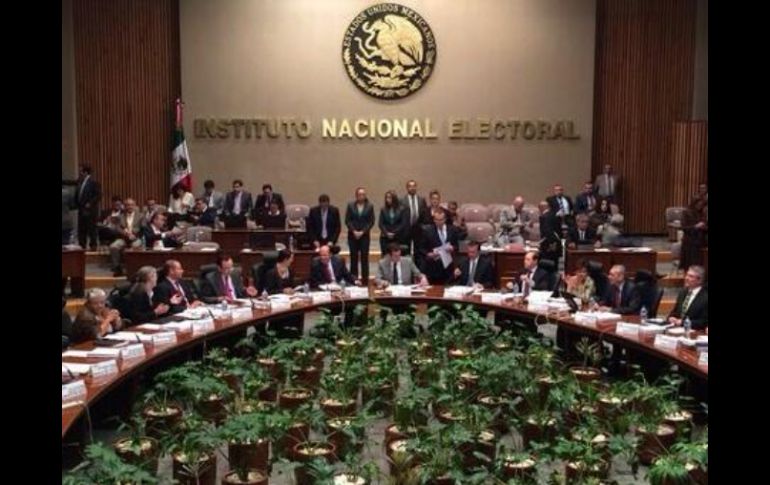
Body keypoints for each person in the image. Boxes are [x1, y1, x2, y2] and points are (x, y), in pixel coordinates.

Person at [419, 210, 460, 284]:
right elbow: (422, 248)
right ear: (434, 220)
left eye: (441, 220)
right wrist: (429, 254)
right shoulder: (427, 231)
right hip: (434, 267)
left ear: (445, 219)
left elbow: (456, 247)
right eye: (437, 220)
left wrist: (452, 248)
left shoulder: (452, 230)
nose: (439, 222)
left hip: (448, 267)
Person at [345, 187, 375, 281]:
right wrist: (354, 231)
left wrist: (362, 232)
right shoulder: (350, 205)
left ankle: (365, 280)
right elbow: (347, 220)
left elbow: (371, 221)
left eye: (363, 194)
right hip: (352, 236)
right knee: (353, 258)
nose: (361, 196)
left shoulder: (370, 206)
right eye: (359, 194)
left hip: (364, 236)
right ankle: (354, 279)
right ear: (356, 195)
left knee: (364, 258)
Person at [109, 197, 143, 276]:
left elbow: (143, 228)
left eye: (131, 205)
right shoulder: (120, 216)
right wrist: (125, 233)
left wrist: (134, 235)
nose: (129, 207)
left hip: (136, 238)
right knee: (113, 246)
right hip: (123, 238)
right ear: (124, 206)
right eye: (127, 205)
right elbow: (118, 228)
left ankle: (132, 269)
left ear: (135, 205)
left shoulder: (141, 216)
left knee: (134, 246)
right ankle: (117, 268)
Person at [667, 265, 708, 330]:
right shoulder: (683, 292)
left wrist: (682, 322)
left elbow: (704, 322)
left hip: (695, 331)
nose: (686, 278)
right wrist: (671, 317)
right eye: (687, 275)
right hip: (677, 330)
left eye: (691, 276)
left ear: (699, 280)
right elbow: (675, 311)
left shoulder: (705, 298)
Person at [400, 179, 430, 258]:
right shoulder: (402, 200)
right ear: (407, 188)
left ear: (416, 187)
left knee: (418, 251)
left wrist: (423, 226)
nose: (412, 188)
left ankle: (417, 265)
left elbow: (425, 214)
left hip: (418, 229)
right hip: (406, 229)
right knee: (406, 251)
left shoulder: (422, 200)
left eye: (414, 186)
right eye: (410, 186)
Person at [76, 164, 102, 250]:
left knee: (91, 229)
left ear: (85, 172)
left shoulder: (93, 182)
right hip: (81, 209)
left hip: (90, 210)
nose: (79, 173)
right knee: (81, 229)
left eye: (81, 171)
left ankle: (93, 246)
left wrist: (90, 203)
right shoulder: (80, 182)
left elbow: (98, 195)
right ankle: (82, 246)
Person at [680, 198, 708, 271]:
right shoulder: (686, 212)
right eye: (699, 204)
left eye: (701, 205)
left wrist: (704, 227)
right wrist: (696, 226)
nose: (700, 206)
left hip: (701, 240)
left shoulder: (702, 213)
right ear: (694, 203)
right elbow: (684, 228)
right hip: (690, 241)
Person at [378, 190, 408, 255]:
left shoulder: (402, 209)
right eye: (386, 198)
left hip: (397, 237)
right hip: (385, 237)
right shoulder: (383, 209)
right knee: (385, 256)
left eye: (389, 198)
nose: (387, 200)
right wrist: (387, 233)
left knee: (396, 255)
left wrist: (393, 233)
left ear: (394, 198)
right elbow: (380, 223)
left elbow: (403, 224)